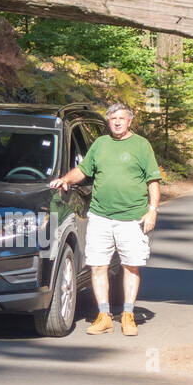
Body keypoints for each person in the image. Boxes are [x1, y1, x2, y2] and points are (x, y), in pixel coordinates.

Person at [48, 103, 161, 336]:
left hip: (132, 218)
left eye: (121, 118)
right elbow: (83, 170)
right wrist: (66, 180)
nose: (117, 122)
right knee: (98, 266)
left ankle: (128, 315)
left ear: (130, 121)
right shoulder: (100, 144)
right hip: (100, 216)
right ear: (108, 121)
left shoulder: (141, 145)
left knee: (131, 266)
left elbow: (153, 180)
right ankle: (104, 315)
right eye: (113, 119)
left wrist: (153, 210)